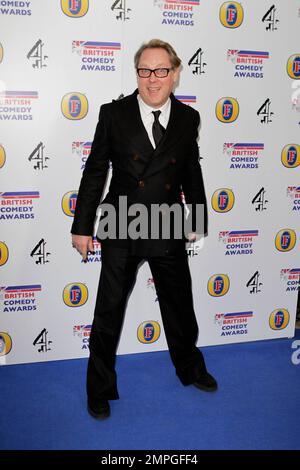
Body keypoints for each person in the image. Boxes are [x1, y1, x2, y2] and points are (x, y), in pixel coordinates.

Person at [71, 39, 218, 420]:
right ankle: (99, 388)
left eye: (161, 70)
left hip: (166, 224)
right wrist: (82, 225)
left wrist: (197, 217)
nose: (153, 79)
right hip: (121, 222)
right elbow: (95, 171)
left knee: (180, 305)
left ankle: (191, 368)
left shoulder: (188, 118)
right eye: (144, 71)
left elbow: (191, 170)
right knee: (109, 311)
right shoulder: (113, 114)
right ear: (136, 73)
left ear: (175, 73)